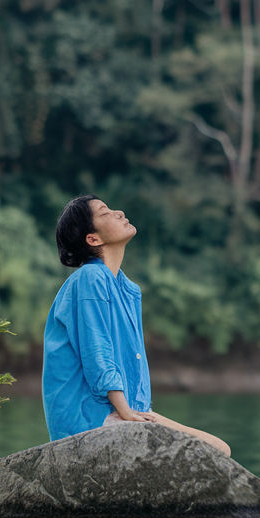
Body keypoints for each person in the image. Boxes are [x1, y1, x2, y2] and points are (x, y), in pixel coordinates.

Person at [42, 194, 230, 455]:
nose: (119, 212)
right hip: (87, 416)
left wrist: (138, 412)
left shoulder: (127, 289)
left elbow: (132, 361)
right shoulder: (90, 278)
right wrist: (125, 413)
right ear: (93, 238)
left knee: (220, 449)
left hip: (127, 409)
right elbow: (98, 355)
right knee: (207, 453)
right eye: (105, 212)